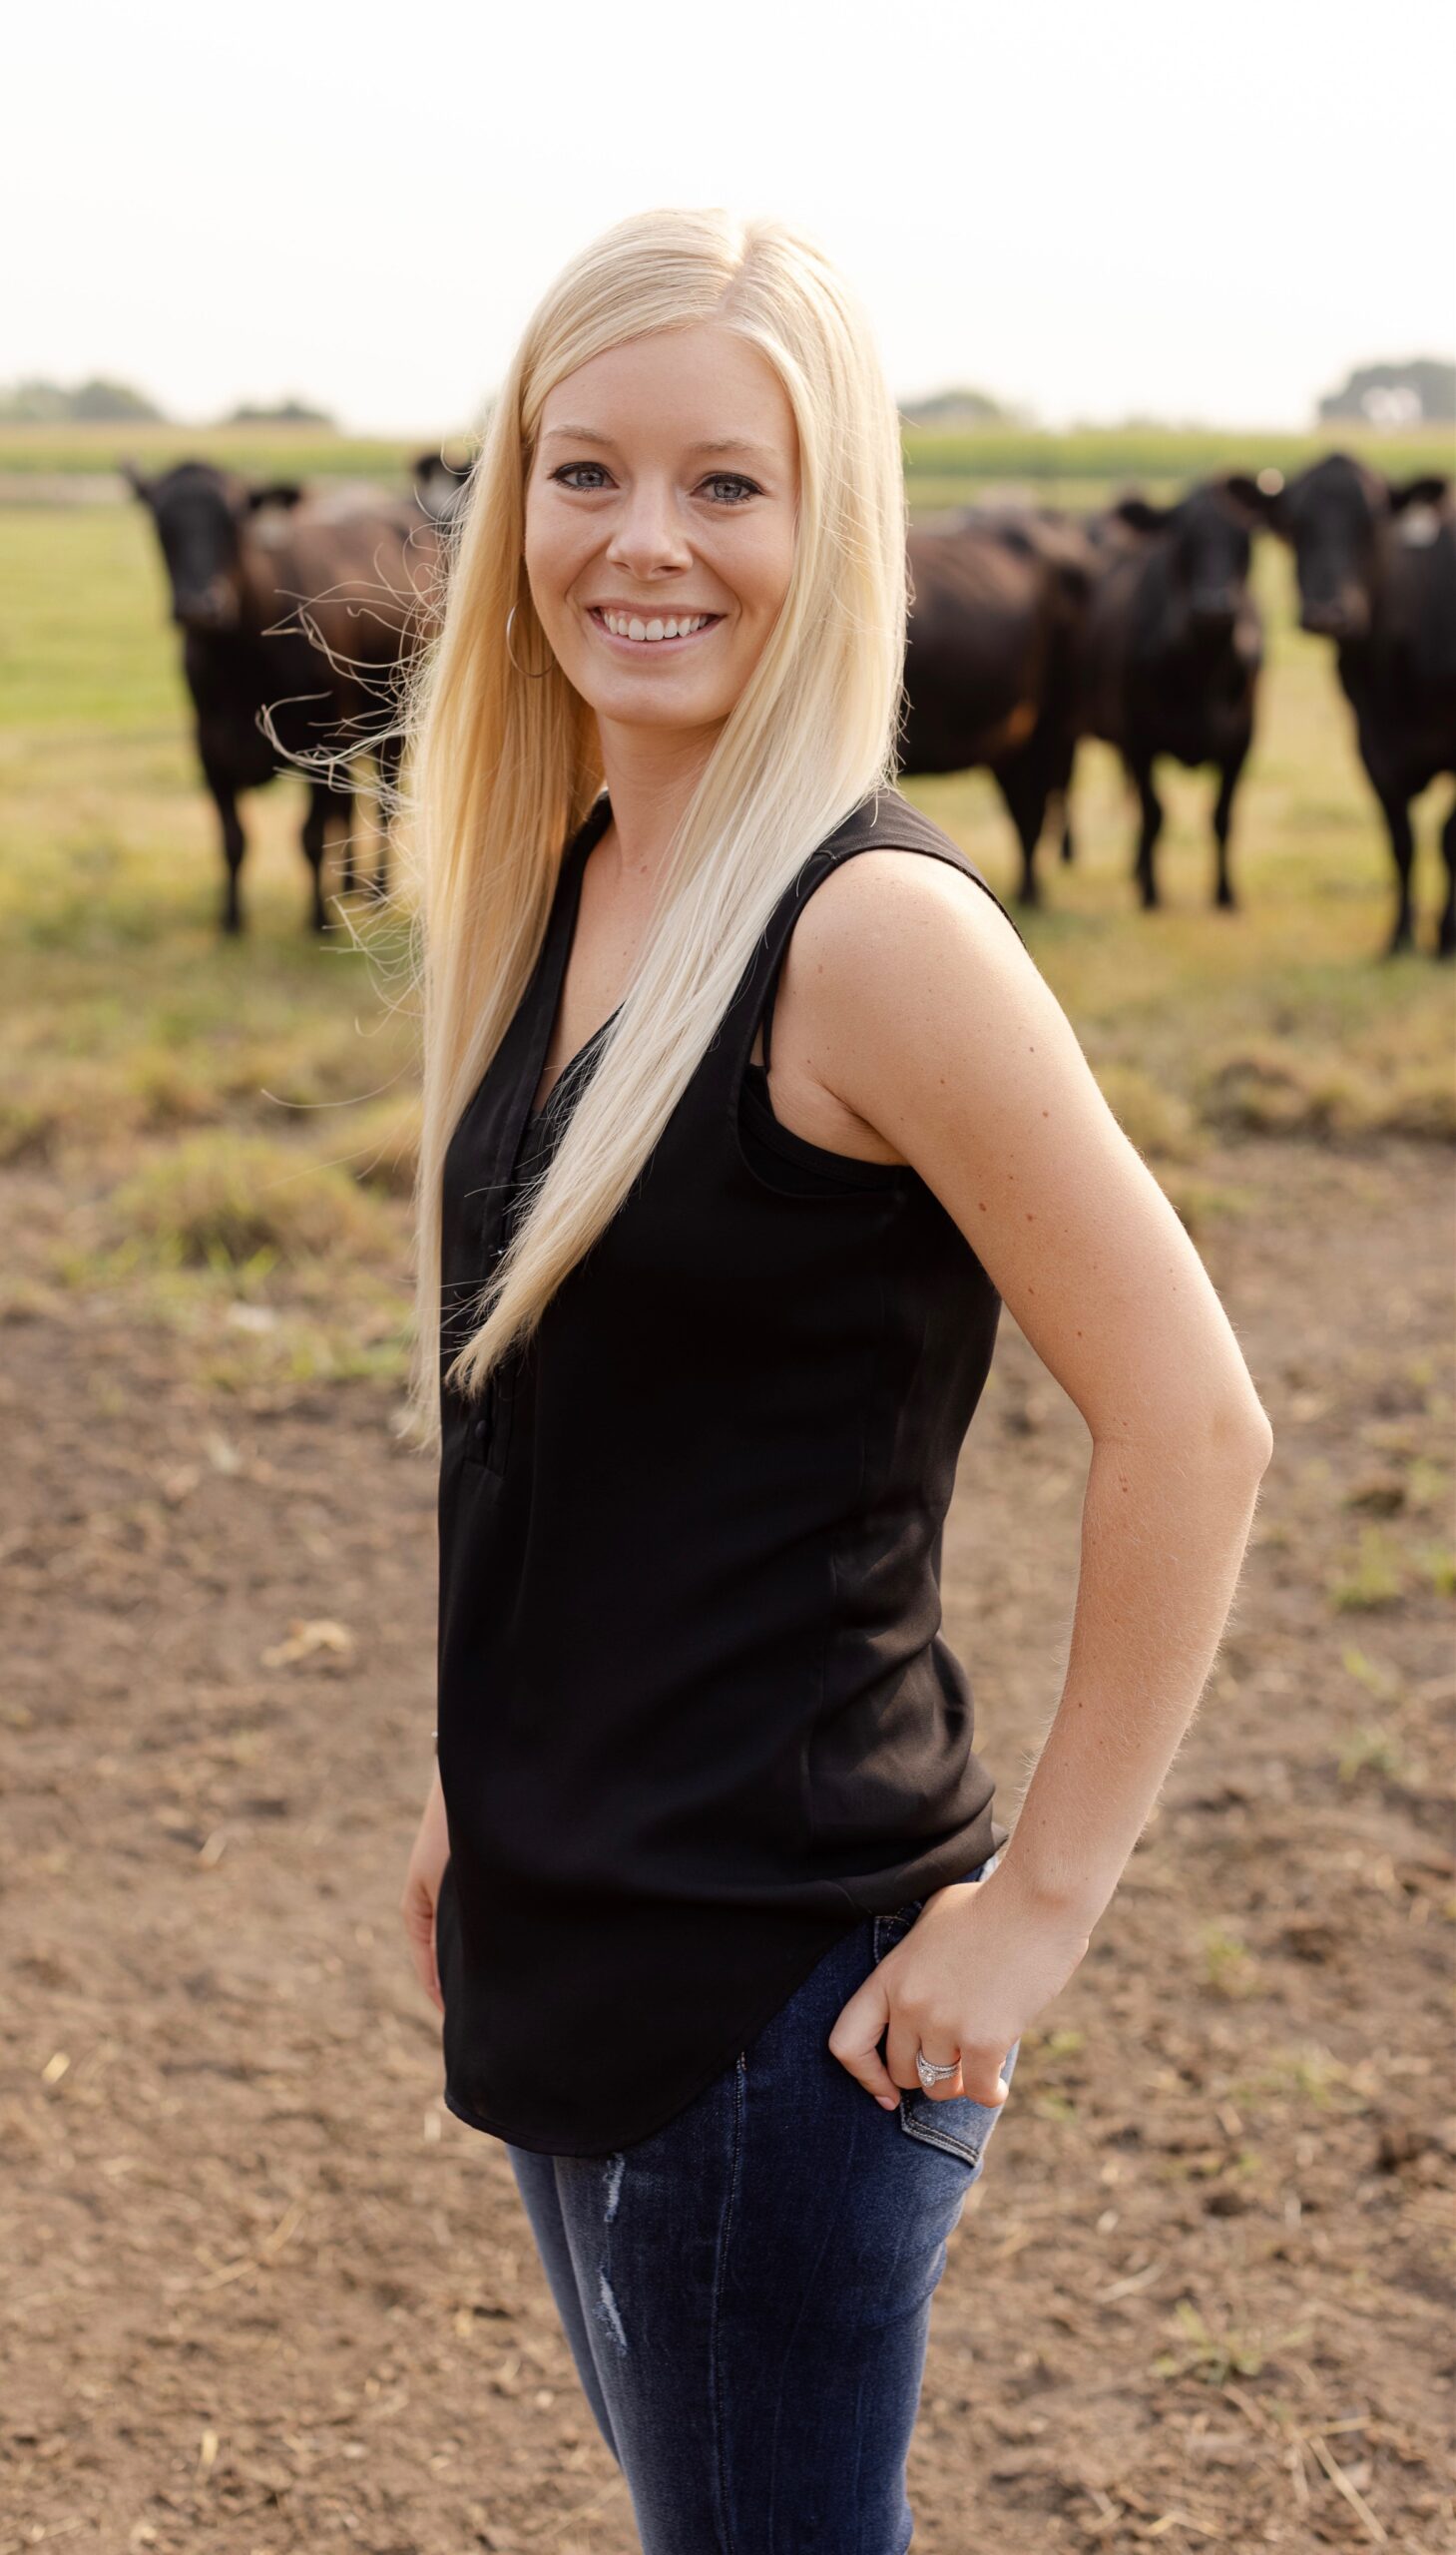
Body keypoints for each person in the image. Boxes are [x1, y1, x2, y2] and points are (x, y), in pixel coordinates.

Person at [397, 206, 1274, 2552]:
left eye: (725, 483)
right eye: (583, 473)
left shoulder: (876, 937)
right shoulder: (553, 876)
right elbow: (570, 1431)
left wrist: (1042, 1905)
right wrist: (479, 1780)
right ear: (512, 508)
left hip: (780, 2011)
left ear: (833, 522)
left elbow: (1192, 1421)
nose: (643, 542)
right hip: (571, 1926)